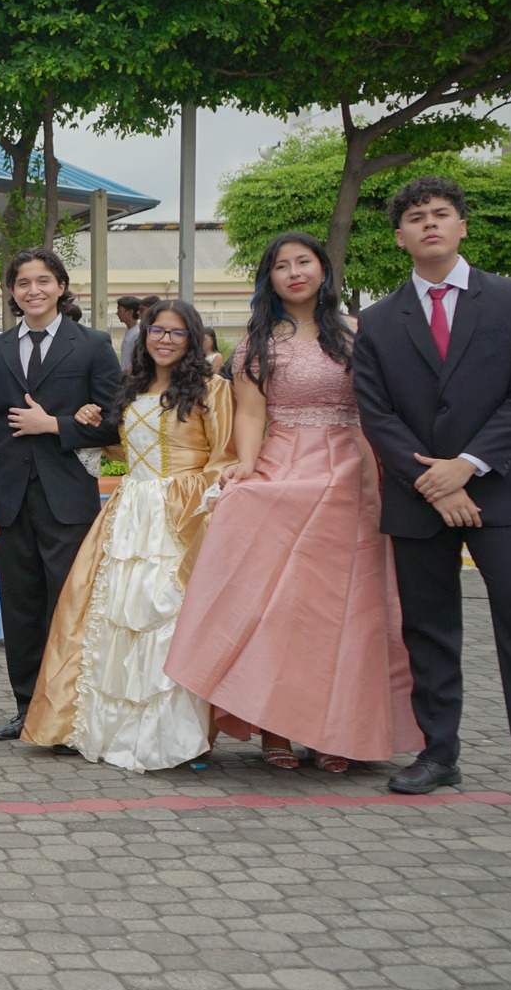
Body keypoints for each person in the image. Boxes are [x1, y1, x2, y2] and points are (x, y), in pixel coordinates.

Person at [353, 178, 511, 826]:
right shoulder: (379, 320)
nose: (429, 223)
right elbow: (376, 412)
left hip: (503, 490)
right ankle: (438, 753)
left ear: (462, 226)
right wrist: (432, 480)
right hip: (418, 498)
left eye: (441, 214)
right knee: (428, 629)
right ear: (399, 236)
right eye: (415, 217)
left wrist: (466, 466)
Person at [168, 233, 419, 775]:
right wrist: (247, 464)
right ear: (270, 279)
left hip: (353, 473)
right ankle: (275, 726)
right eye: (281, 265)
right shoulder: (259, 342)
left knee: (350, 609)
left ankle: (337, 728)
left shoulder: (356, 334)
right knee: (281, 605)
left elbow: (382, 405)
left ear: (323, 270)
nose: (294, 272)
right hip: (285, 463)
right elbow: (251, 413)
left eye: (304, 261)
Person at [22, 300, 232, 770]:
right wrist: (91, 423)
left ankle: (179, 735)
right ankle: (112, 727)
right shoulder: (130, 386)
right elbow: (128, 448)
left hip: (180, 512)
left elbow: (225, 455)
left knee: (166, 615)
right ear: (143, 335)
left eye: (177, 333)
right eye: (157, 331)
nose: (165, 340)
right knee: (113, 616)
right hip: (129, 512)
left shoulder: (212, 389)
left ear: (192, 339)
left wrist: (206, 505)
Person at [0, 248, 122, 743]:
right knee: (21, 609)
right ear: (12, 292)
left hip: (68, 498)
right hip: (7, 502)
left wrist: (54, 424)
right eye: (23, 283)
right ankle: (27, 710)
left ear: (60, 286)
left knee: (69, 608)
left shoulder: (93, 345)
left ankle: (70, 715)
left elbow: (114, 423)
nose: (33, 290)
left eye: (43, 281)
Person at [116, 296, 145, 367]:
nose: (117, 313)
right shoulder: (130, 331)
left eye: (120, 310)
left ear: (130, 312)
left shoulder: (137, 334)